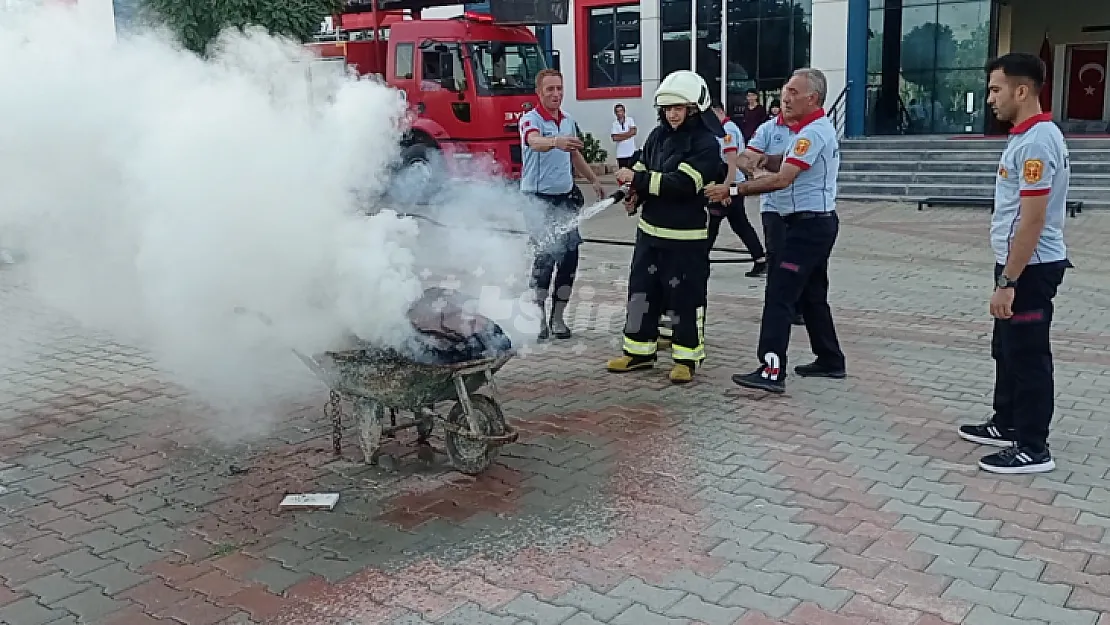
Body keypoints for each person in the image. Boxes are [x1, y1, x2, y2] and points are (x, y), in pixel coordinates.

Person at [957, 53, 1071, 474]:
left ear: (1022, 91)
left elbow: (1033, 220)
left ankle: (1033, 446)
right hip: (1016, 264)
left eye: (995, 89)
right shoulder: (1025, 137)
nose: (990, 98)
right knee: (1005, 350)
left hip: (1030, 268)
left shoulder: (1039, 141)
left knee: (1027, 356)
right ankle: (1006, 422)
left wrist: (1008, 280)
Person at [706, 68, 846, 394]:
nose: (786, 96)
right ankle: (830, 359)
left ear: (813, 98)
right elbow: (772, 161)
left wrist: (734, 191)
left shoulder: (814, 132)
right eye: (785, 89)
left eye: (794, 92)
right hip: (809, 223)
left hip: (809, 226)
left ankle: (771, 370)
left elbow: (784, 178)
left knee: (779, 293)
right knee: (812, 295)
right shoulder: (803, 130)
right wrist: (765, 163)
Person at [605, 70, 725, 384]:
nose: (673, 114)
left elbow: (682, 184)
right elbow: (643, 166)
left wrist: (638, 180)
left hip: (685, 238)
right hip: (649, 233)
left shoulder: (706, 145)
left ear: (694, 109)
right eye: (668, 108)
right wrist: (633, 193)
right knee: (641, 292)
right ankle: (638, 353)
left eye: (679, 108)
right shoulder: (658, 136)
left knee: (685, 297)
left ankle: (686, 358)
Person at [519, 69, 605, 341]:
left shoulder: (568, 121)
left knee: (569, 258)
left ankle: (558, 316)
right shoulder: (529, 120)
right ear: (539, 92)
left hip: (565, 198)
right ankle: (538, 317)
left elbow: (574, 154)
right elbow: (535, 143)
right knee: (544, 260)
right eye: (550, 90)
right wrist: (555, 141)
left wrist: (594, 180)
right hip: (538, 200)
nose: (556, 94)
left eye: (559, 88)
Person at [708, 102, 768, 278]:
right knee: (738, 224)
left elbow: (731, 161)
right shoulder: (722, 129)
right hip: (728, 183)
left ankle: (699, 260)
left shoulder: (728, 130)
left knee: (714, 223)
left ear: (719, 112)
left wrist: (727, 188)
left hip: (730, 184)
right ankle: (759, 258)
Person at [611, 104, 638, 170]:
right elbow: (615, 138)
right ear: (615, 113)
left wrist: (620, 136)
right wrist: (628, 134)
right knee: (622, 175)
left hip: (631, 153)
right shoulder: (614, 124)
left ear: (624, 111)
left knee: (632, 174)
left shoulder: (630, 120)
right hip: (621, 154)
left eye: (621, 111)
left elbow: (634, 132)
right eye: (617, 111)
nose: (619, 113)